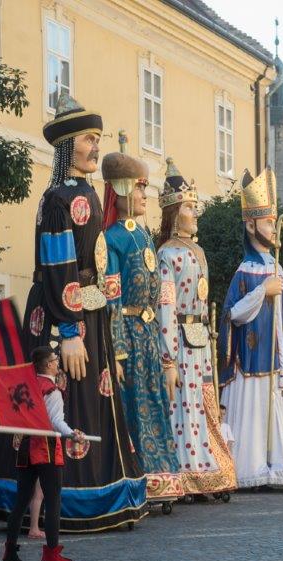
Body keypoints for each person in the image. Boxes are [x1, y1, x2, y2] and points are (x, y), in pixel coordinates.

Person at [13, 94, 146, 532]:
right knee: (69, 401)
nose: (96, 147)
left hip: (89, 312)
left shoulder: (85, 193)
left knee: (93, 397)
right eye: (89, 139)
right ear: (69, 145)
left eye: (97, 138)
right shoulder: (57, 199)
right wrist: (69, 331)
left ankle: (103, 490)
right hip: (62, 313)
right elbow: (59, 266)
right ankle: (67, 501)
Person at [219, 168, 283, 488]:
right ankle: (253, 468)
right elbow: (232, 314)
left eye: (273, 222)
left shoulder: (277, 267)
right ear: (250, 225)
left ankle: (282, 464)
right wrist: (262, 291)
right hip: (251, 360)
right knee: (254, 415)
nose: (273, 228)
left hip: (277, 361)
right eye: (268, 222)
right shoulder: (245, 269)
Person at [102, 143, 183, 503]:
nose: (143, 194)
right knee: (134, 405)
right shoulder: (111, 239)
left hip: (149, 334)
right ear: (120, 191)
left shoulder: (146, 235)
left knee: (155, 403)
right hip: (130, 336)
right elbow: (112, 298)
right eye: (138, 187)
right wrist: (117, 351)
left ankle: (163, 473)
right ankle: (138, 477)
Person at [154, 159, 238, 498]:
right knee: (184, 406)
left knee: (203, 405)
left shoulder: (198, 251)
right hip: (180, 342)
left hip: (200, 340)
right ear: (175, 213)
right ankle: (186, 473)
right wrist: (168, 358)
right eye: (189, 207)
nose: (195, 213)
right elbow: (165, 306)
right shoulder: (167, 255)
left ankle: (207, 466)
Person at [1, 347, 85, 561]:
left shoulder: (25, 387)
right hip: (45, 447)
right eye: (55, 360)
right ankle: (52, 558)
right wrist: (72, 434)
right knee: (53, 501)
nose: (58, 363)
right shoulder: (52, 391)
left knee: (21, 501)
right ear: (48, 364)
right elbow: (56, 421)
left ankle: (9, 556)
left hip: (25, 446)